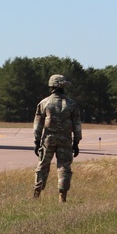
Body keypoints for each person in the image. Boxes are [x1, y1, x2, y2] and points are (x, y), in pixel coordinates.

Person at [33, 74, 82, 202]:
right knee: (64, 167)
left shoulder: (44, 103)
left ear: (51, 85)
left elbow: (38, 124)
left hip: (48, 139)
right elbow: (77, 125)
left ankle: (37, 193)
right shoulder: (72, 104)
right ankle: (62, 196)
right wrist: (76, 142)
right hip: (66, 140)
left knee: (43, 165)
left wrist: (37, 141)